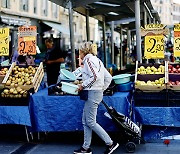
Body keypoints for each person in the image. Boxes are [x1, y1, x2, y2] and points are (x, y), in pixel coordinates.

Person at [74, 42, 119, 154]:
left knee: (90, 121)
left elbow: (95, 77)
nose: (79, 54)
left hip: (92, 93)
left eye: (79, 51)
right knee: (86, 121)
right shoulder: (98, 60)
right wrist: (101, 89)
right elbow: (108, 77)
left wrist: (82, 85)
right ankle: (85, 148)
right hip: (96, 92)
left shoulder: (88, 60)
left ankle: (110, 143)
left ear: (83, 51)